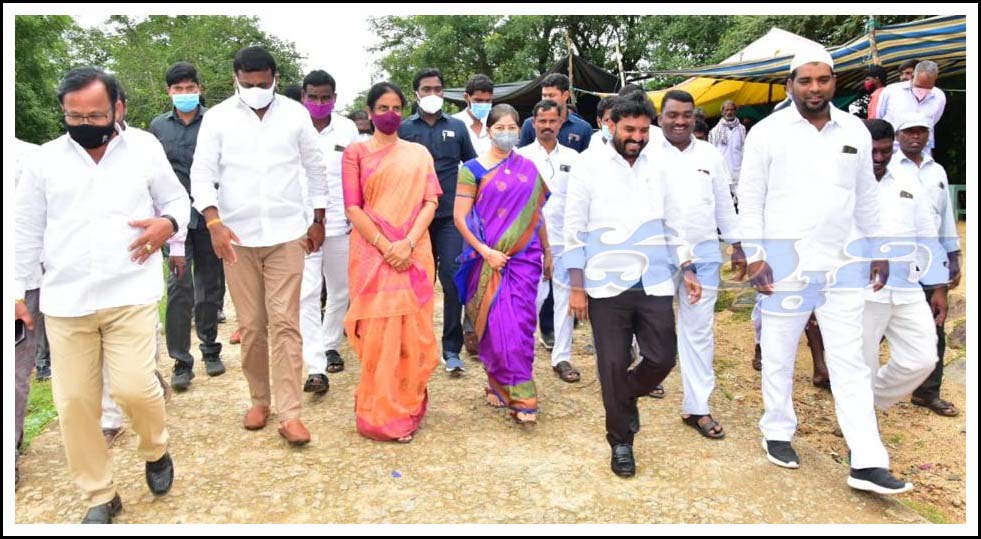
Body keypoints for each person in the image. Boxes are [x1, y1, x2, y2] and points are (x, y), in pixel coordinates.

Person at [15, 66, 187, 522]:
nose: (85, 124)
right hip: (66, 301)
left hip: (129, 291)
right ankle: (100, 493)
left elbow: (177, 201)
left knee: (135, 389)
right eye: (75, 117)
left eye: (95, 115)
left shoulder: (144, 148)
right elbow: (25, 231)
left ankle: (155, 448)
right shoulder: (44, 161)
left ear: (118, 108)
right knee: (74, 404)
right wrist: (15, 291)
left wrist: (168, 223)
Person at [739, 47, 911, 494]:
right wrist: (755, 254)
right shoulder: (767, 133)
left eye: (823, 80)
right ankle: (777, 431)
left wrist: (878, 247)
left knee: (850, 360)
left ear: (834, 81)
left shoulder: (853, 130)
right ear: (791, 84)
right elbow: (751, 197)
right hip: (784, 263)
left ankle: (867, 460)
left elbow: (866, 195)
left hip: (843, 263)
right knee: (779, 352)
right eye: (805, 80)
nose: (814, 88)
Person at [191, 46, 327, 445]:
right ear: (235, 79)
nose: (255, 90)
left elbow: (315, 169)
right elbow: (201, 174)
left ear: (275, 79)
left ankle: (290, 413)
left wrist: (318, 220)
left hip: (287, 234)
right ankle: (259, 400)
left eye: (262, 83)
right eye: (247, 83)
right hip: (237, 238)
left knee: (286, 323)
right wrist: (213, 222)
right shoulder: (217, 119)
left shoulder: (295, 114)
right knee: (251, 326)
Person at [564, 96, 700, 478]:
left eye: (643, 130)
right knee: (612, 363)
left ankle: (624, 396)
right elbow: (573, 228)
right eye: (629, 129)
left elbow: (675, 222)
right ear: (611, 126)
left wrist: (687, 266)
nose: (637, 137)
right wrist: (576, 285)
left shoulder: (660, 167)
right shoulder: (588, 166)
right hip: (605, 284)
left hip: (654, 280)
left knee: (662, 358)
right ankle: (621, 441)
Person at [342, 81, 441, 442]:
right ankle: (379, 411)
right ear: (369, 113)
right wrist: (387, 246)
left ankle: (406, 404)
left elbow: (430, 202)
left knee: (411, 334)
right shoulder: (355, 153)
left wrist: (407, 243)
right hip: (373, 255)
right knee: (378, 335)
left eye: (396, 108)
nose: (390, 114)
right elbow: (353, 207)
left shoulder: (418, 154)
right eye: (382, 108)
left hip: (413, 252)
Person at [654, 90, 744, 439]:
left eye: (686, 115)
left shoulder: (710, 155)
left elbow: (724, 204)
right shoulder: (647, 153)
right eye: (673, 115)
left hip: (705, 255)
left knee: (699, 331)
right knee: (655, 330)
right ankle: (644, 379)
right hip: (658, 255)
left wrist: (737, 245)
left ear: (695, 118)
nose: (680, 122)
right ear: (660, 118)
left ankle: (697, 407)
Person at [455, 104, 551, 422]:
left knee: (519, 326)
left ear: (520, 130)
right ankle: (497, 382)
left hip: (525, 260)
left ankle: (522, 397)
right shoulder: (472, 169)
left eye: (512, 128)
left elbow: (537, 216)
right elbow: (459, 218)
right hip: (487, 261)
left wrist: (548, 252)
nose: (506, 133)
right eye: (500, 128)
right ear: (489, 131)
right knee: (494, 327)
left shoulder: (529, 168)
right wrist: (486, 252)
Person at [148, 61, 226, 392]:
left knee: (210, 285)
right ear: (169, 92)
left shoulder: (216, 121)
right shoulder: (158, 127)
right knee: (179, 288)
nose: (184, 93)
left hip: (210, 214)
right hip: (174, 220)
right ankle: (181, 360)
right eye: (178, 89)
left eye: (189, 88)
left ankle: (210, 348)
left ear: (199, 89)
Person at [860, 118, 945, 409]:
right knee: (863, 362)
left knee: (922, 359)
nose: (878, 158)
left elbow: (928, 236)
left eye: (885, 151)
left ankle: (866, 403)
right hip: (861, 291)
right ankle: (859, 418)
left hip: (907, 287)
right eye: (872, 151)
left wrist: (938, 286)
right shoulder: (845, 183)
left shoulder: (908, 181)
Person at [398, 68, 477, 376]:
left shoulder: (457, 127)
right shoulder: (404, 128)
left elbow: (472, 166)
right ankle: (415, 344)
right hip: (415, 219)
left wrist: (474, 203)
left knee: (453, 280)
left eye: (438, 89)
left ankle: (451, 349)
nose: (433, 94)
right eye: (426, 89)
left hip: (449, 218)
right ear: (416, 93)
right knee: (417, 283)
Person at [890, 114, 962, 417]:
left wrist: (953, 255)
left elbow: (945, 216)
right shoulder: (887, 168)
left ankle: (927, 392)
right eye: (909, 132)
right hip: (896, 261)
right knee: (877, 326)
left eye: (921, 131)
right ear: (899, 135)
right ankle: (858, 393)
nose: (915, 137)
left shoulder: (937, 171)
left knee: (935, 324)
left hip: (931, 260)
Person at [298, 69, 361, 393]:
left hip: (340, 223)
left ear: (334, 98)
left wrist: (356, 216)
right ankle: (315, 366)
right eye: (313, 97)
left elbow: (358, 175)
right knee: (308, 293)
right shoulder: (293, 127)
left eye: (325, 98)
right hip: (303, 226)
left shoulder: (348, 129)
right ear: (303, 97)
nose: (319, 103)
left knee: (340, 290)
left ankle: (329, 343)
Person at [517, 99, 582, 383]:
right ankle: (521, 355)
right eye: (542, 121)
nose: (547, 126)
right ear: (533, 123)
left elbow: (580, 200)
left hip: (565, 240)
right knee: (531, 299)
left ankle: (562, 357)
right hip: (531, 241)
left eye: (552, 121)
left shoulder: (574, 158)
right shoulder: (520, 157)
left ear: (561, 122)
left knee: (564, 300)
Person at [876, 60, 946, 154]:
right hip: (894, 150)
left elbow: (934, 120)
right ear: (913, 76)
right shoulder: (891, 91)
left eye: (928, 88)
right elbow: (880, 118)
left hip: (923, 152)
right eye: (919, 86)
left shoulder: (939, 96)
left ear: (935, 78)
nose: (922, 91)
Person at [518, 73, 593, 152]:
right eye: (544, 95)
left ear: (565, 95)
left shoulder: (583, 128)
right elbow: (521, 156)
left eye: (551, 95)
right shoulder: (529, 125)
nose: (546, 99)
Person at [709, 100, 747, 199]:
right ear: (722, 112)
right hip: (722, 172)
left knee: (740, 200)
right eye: (727, 110)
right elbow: (712, 153)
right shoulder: (715, 131)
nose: (729, 112)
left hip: (738, 172)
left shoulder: (742, 129)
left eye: (732, 110)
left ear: (735, 111)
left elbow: (744, 150)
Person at [452, 74, 494, 155]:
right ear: (466, 97)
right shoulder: (453, 123)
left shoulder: (496, 121)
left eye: (488, 101)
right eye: (478, 100)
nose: (483, 104)